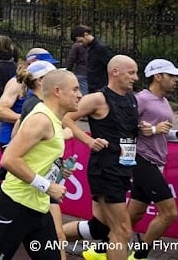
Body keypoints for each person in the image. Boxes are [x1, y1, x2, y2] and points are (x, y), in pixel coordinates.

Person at [0, 69, 82, 259]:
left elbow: (36, 156)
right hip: (16, 204)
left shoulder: (54, 119)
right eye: (75, 89)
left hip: (38, 207)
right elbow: (9, 159)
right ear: (57, 91)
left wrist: (58, 168)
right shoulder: (41, 119)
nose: (80, 94)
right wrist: (48, 186)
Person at [60, 55, 140, 260]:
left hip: (123, 167)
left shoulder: (131, 98)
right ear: (115, 72)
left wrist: (144, 129)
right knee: (122, 231)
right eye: (131, 73)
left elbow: (125, 129)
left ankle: (49, 237)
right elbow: (66, 118)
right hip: (105, 170)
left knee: (99, 227)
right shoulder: (98, 99)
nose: (136, 78)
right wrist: (88, 141)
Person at [127, 59, 178, 260]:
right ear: (158, 76)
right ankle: (139, 256)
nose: (176, 80)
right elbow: (125, 127)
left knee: (133, 215)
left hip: (155, 162)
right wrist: (153, 130)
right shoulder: (141, 99)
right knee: (170, 213)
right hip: (141, 160)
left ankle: (103, 248)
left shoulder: (163, 102)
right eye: (171, 76)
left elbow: (159, 133)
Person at [71, 25, 113, 93]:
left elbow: (112, 65)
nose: (80, 44)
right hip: (94, 86)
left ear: (86, 35)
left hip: (101, 87)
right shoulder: (90, 48)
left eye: (81, 41)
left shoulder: (100, 48)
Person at [67, 28, 90, 95]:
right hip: (91, 72)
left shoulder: (76, 46)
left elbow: (71, 59)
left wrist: (68, 70)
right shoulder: (92, 45)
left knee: (83, 92)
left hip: (81, 72)